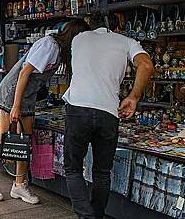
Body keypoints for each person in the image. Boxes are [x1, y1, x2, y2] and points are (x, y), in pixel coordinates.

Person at [0, 19, 90, 204]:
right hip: (13, 93)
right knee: (4, 136)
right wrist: (16, 106)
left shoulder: (61, 51)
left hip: (27, 96)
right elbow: (24, 73)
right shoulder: (50, 45)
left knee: (24, 139)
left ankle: (19, 185)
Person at [63, 13, 153, 219]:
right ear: (118, 26)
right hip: (108, 111)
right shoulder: (127, 41)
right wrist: (133, 97)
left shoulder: (79, 39)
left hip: (78, 108)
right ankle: (97, 215)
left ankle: (86, 216)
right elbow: (146, 65)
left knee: (73, 168)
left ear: (91, 24)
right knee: (102, 171)